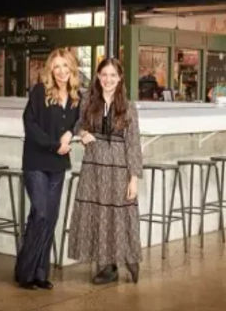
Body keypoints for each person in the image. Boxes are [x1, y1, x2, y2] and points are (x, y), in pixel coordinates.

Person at [68, 58, 142, 284]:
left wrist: (134, 178)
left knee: (119, 215)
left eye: (113, 75)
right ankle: (108, 267)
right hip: (94, 167)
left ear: (120, 79)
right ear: (98, 77)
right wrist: (82, 133)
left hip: (119, 167)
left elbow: (133, 143)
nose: (108, 80)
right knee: (99, 215)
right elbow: (77, 124)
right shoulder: (88, 102)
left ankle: (129, 257)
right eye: (104, 75)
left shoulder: (128, 107)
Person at [15, 48, 81, 290]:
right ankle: (25, 272)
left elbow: (79, 120)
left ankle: (39, 273)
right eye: (57, 67)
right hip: (36, 160)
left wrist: (71, 132)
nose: (61, 71)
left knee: (49, 218)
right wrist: (55, 145)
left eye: (65, 66)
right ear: (50, 70)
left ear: (72, 68)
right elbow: (29, 124)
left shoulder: (75, 96)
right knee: (41, 213)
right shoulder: (39, 91)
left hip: (58, 164)